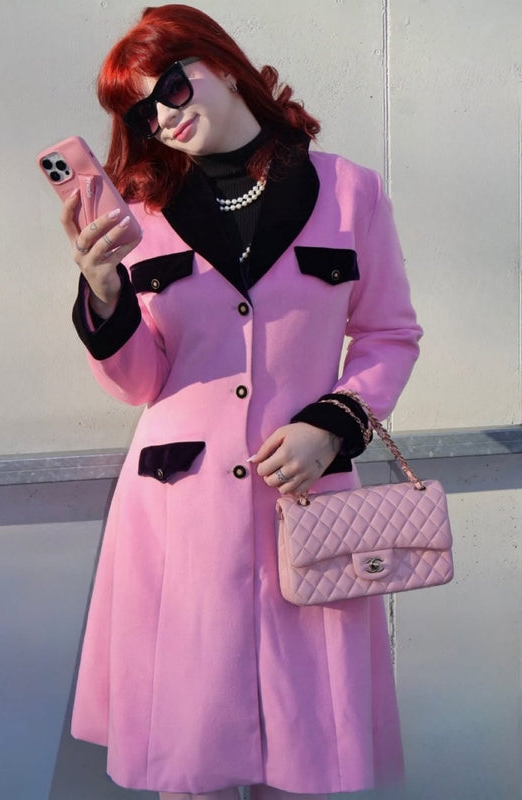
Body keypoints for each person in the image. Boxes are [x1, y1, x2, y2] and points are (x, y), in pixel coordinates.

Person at [60, 4, 423, 799]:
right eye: (142, 114)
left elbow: (390, 334)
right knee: (190, 764)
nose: (163, 118)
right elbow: (141, 382)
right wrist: (104, 293)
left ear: (220, 65)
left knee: (307, 754)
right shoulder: (141, 214)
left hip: (306, 505)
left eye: (170, 88)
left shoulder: (348, 192)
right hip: (178, 514)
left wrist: (334, 424)